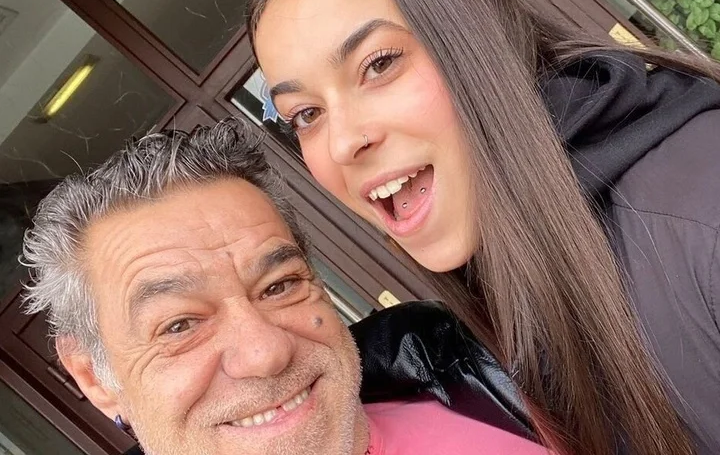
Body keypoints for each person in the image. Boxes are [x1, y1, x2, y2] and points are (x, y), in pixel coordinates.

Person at [248, 0, 720, 455]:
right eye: (306, 114)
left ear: (474, 40)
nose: (344, 142)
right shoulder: (502, 300)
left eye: (379, 64)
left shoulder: (700, 206)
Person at [22, 121, 547, 455]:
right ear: (94, 376)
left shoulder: (490, 382)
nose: (265, 352)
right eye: (179, 324)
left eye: (279, 286)